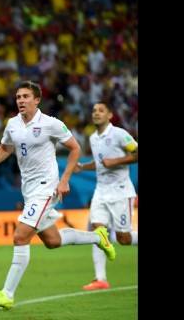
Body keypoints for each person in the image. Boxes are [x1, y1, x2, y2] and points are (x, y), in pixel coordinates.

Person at [0, 81, 116, 310]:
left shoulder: (51, 124)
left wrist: (64, 180)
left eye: (25, 96)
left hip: (46, 188)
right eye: (18, 97)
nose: (20, 100)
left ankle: (7, 294)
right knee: (53, 241)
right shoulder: (12, 124)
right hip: (29, 190)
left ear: (37, 100)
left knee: (20, 236)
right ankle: (98, 237)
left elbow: (75, 148)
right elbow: (5, 148)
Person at [73, 101, 138, 291]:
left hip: (120, 191)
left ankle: (101, 278)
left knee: (123, 238)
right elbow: (100, 162)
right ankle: (100, 279)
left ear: (110, 115)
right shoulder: (93, 138)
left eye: (101, 110)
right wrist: (83, 167)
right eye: (93, 111)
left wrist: (116, 161)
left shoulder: (119, 134)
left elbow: (136, 153)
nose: (96, 113)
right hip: (101, 191)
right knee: (98, 233)